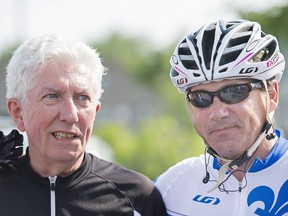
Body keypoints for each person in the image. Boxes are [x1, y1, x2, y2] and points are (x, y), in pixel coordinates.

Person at [1, 35, 166, 216]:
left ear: (95, 110)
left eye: (82, 98)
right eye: (52, 96)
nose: (71, 115)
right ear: (18, 112)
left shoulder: (136, 197)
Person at [154, 19, 288, 215]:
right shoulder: (173, 185)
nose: (217, 113)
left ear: (272, 95)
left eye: (234, 92)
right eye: (200, 98)